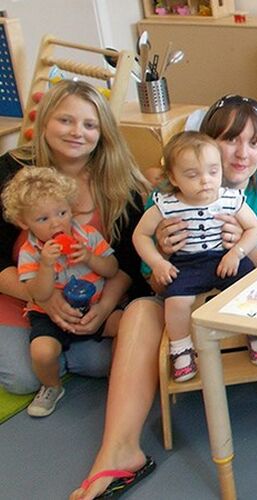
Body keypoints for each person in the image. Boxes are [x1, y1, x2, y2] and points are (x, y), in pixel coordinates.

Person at [70, 95, 257, 499]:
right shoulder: (167, 198)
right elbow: (152, 281)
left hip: (251, 292)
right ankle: (120, 450)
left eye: (255, 143)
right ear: (203, 144)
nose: (243, 153)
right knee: (136, 314)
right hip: (182, 298)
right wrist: (163, 254)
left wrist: (243, 248)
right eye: (230, 139)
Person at [0, 80, 149, 401]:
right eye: (65, 120)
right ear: (45, 122)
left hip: (91, 298)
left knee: (99, 362)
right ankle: (51, 356)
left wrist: (105, 306)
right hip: (21, 293)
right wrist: (42, 298)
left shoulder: (120, 182)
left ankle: (57, 357)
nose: (76, 132)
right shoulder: (10, 172)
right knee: (21, 379)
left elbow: (128, 262)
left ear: (103, 132)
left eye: (89, 124)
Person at [133, 132, 257, 382]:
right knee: (176, 301)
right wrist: (158, 262)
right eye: (192, 175)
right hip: (187, 262)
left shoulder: (229, 199)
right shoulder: (166, 204)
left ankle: (254, 333)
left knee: (247, 288)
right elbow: (140, 235)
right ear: (173, 177)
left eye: (213, 172)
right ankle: (181, 348)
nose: (205, 181)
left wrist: (237, 252)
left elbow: (255, 229)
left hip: (225, 256)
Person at [2, 168, 118, 417]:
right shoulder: (30, 251)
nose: (56, 223)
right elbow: (38, 292)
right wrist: (45, 265)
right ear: (25, 223)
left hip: (91, 307)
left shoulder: (87, 236)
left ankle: (128, 376)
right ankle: (52, 386)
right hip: (48, 314)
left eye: (62, 213)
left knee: (125, 323)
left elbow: (112, 268)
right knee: (42, 352)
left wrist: (89, 257)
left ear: (71, 209)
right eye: (43, 219)